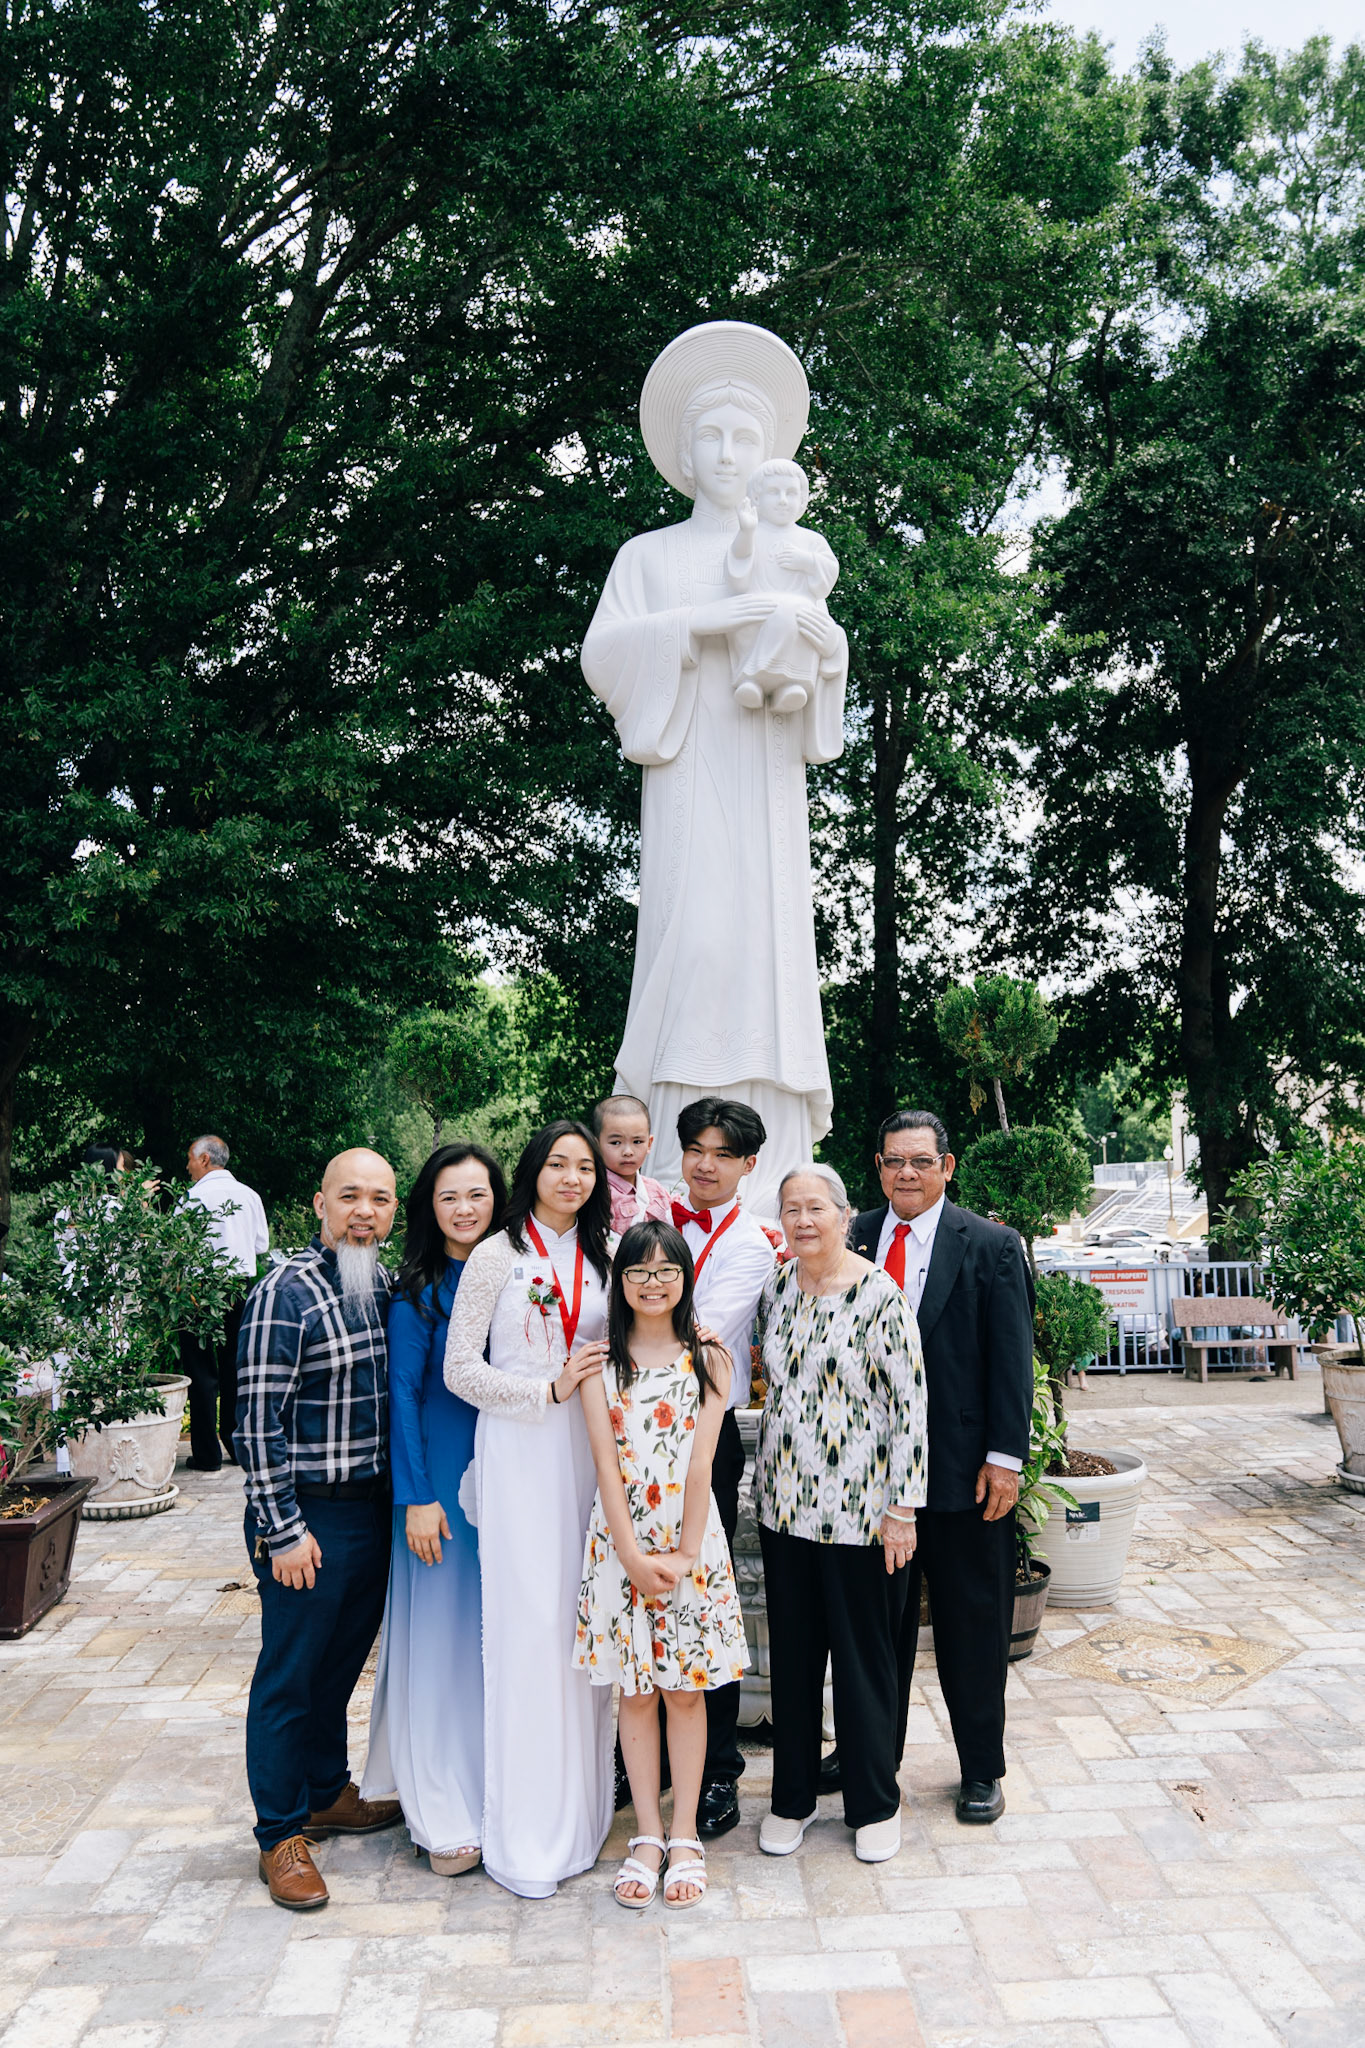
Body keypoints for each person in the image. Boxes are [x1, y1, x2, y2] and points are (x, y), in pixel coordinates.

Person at [580, 321, 849, 1213]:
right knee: (692, 944)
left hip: (766, 784)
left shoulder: (794, 551)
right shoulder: (648, 557)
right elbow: (604, 655)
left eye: (745, 437)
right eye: (711, 436)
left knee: (768, 955)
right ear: (684, 454)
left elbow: (824, 667)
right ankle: (673, 1167)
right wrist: (705, 623)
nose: (728, 454)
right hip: (690, 785)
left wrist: (822, 642)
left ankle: (777, 1174)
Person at [844, 1110, 1034, 1826]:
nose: (907, 1173)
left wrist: (1005, 1460)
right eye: (894, 1160)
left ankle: (981, 1768)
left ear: (946, 1167)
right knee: (874, 1633)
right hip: (870, 1482)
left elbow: (1012, 1359)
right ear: (877, 1166)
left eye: (921, 1161)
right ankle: (872, 1758)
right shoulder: (851, 1237)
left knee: (971, 1628)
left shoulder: (990, 1245)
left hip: (963, 1478)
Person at [444, 1120, 614, 1898]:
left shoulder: (605, 1253)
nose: (572, 1177)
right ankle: (527, 1831)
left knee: (583, 1618)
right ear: (533, 1172)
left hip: (591, 1450)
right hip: (519, 1447)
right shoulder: (496, 1255)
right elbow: (459, 1370)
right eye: (558, 1164)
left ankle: (583, 1817)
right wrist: (543, 1390)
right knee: (530, 1625)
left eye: (585, 1167)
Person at [236, 1148, 404, 1910]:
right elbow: (254, 1423)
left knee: (338, 1666)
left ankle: (327, 1791)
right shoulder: (285, 1291)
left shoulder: (382, 1286)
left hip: (370, 1509)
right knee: (291, 1677)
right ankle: (280, 1833)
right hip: (307, 1515)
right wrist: (282, 1530)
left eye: (380, 1199)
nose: (364, 1212)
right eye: (349, 1197)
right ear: (319, 1204)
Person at [753, 1165, 926, 1864]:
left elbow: (910, 1408)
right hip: (784, 1508)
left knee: (863, 1663)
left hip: (862, 1516)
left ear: (844, 1215)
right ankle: (791, 1799)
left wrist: (902, 1509)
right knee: (794, 1661)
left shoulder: (880, 1296)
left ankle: (873, 1802)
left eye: (815, 1208)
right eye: (791, 1209)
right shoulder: (776, 1288)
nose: (803, 1220)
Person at [575, 1221, 748, 1909]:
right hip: (619, 1547)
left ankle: (684, 1835)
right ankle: (646, 1834)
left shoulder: (710, 1360)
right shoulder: (599, 1364)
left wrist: (680, 1554)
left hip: (690, 1547)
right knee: (638, 1692)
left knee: (685, 1690)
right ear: (620, 1283)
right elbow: (605, 1466)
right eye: (638, 1271)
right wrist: (630, 1555)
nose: (653, 1283)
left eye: (666, 1270)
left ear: (684, 1278)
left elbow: (702, 1463)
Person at [361, 1142, 507, 1876]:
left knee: (493, 1642)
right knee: (441, 1643)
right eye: (449, 1196)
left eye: (477, 1194)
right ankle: (439, 1807)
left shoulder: (515, 1274)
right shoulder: (418, 1290)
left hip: (510, 1479)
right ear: (429, 1207)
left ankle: (496, 1795)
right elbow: (403, 1397)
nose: (464, 1208)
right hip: (439, 1486)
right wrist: (416, 1497)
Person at [670, 1096, 775, 1837]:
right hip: (630, 1429)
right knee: (638, 1588)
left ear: (748, 1165)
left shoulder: (751, 1245)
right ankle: (640, 1758)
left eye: (723, 1154)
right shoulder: (650, 1222)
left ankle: (716, 1773)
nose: (705, 1166)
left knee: (707, 1596)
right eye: (695, 1150)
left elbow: (695, 1331)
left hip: (707, 1432)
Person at [181, 1135, 270, 1471]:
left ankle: (207, 1455)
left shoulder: (191, 1199)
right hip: (238, 1287)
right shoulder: (249, 1195)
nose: (188, 1166)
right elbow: (261, 1245)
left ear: (204, 1159)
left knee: (200, 1371)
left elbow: (177, 1248)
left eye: (190, 1159)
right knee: (236, 1366)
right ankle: (236, 1445)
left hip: (198, 1288)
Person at [726, 458, 839, 714]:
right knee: (758, 616)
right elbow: (737, 573)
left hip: (798, 614)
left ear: (802, 500)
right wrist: (746, 531)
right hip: (758, 611)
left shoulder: (811, 540)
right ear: (756, 498)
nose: (783, 500)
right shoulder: (751, 535)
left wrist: (807, 561)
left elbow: (828, 574)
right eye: (774, 492)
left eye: (791, 493)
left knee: (799, 617)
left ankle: (792, 685)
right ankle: (751, 680)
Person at [592, 1094, 672, 1235]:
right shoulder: (597, 1191)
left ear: (649, 1143)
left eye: (637, 1142)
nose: (628, 1152)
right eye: (616, 1142)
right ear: (596, 1145)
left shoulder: (656, 1189)